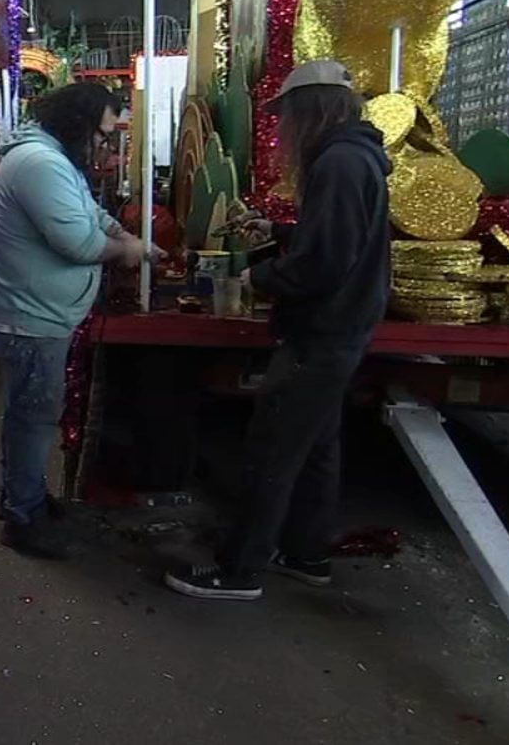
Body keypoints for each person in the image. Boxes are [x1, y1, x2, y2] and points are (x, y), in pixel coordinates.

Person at [164, 60, 392, 601]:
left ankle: (239, 569)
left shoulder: (337, 164)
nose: (283, 128)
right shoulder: (357, 157)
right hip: (344, 327)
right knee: (315, 447)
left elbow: (325, 263)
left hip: (322, 332)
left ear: (308, 111)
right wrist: (281, 229)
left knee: (272, 449)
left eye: (287, 115)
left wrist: (256, 276)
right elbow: (338, 237)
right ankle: (305, 552)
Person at [0, 83, 161, 560]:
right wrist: (130, 250)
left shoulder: (51, 159)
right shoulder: (41, 163)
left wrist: (118, 230)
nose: (103, 145)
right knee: (34, 416)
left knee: (29, 414)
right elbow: (78, 243)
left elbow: (87, 212)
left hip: (36, 311)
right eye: (101, 135)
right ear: (78, 124)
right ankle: (23, 516)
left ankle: (23, 497)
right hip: (30, 316)